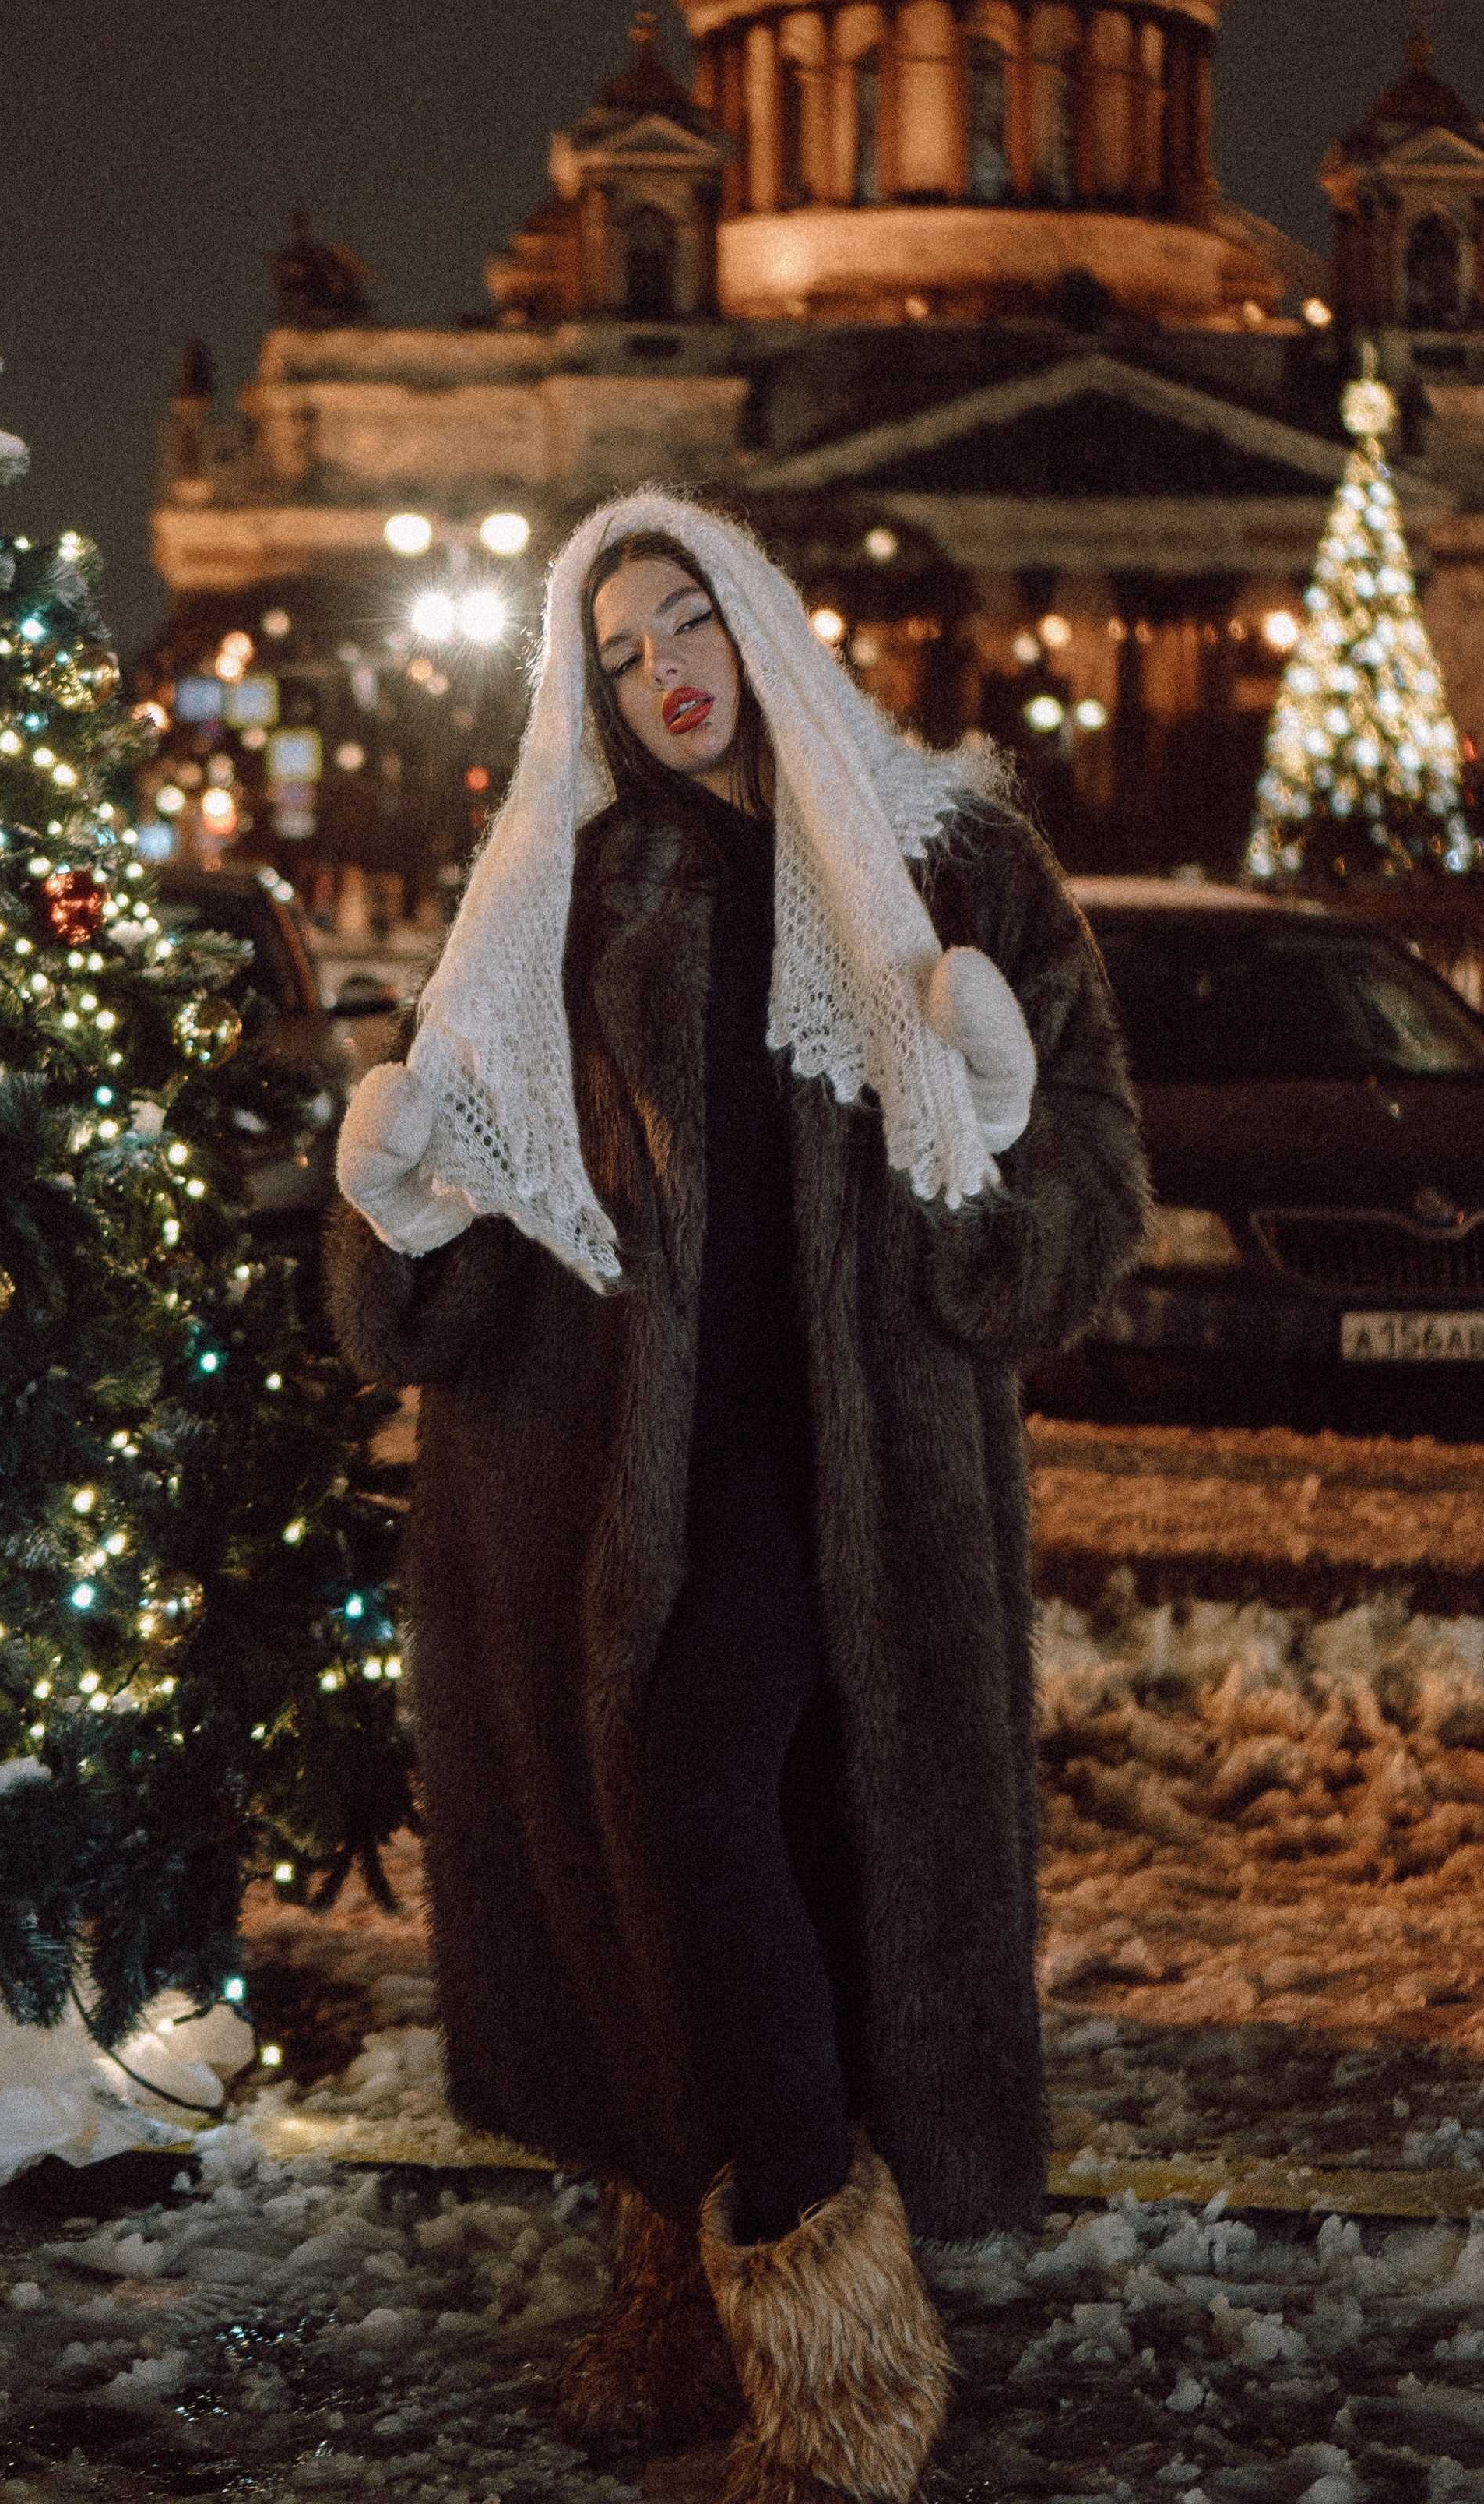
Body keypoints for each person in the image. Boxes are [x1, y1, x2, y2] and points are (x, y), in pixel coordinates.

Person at [325, 494, 1147, 2504]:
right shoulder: (573, 893)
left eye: (685, 619)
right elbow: (470, 1231)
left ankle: (841, 2361)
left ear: (760, 617)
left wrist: (1000, 1150)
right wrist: (404, 1216)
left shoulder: (954, 862)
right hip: (624, 1489)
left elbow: (1094, 1195)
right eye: (615, 655)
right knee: (668, 1858)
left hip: (860, 1478)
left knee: (715, 1811)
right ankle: (694, 2285)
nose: (661, 672)